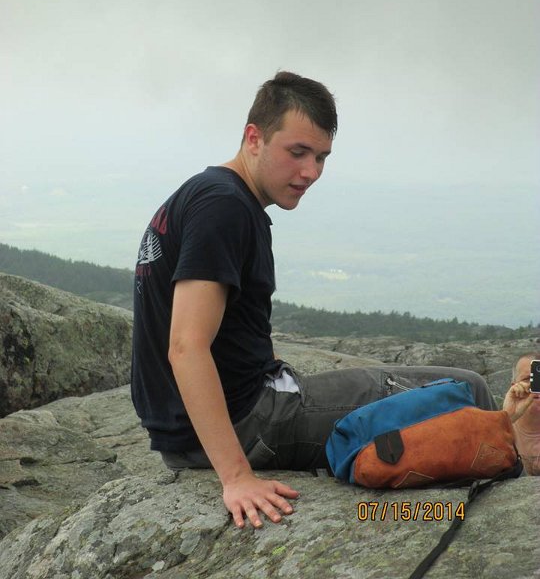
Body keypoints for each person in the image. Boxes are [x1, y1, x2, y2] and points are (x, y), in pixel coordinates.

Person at [131, 70, 497, 530]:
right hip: (248, 423)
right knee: (464, 392)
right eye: (297, 152)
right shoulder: (224, 207)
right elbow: (186, 347)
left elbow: (224, 331)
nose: (310, 172)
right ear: (254, 138)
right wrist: (237, 477)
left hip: (191, 430)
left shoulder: (203, 194)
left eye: (321, 157)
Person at [503, 352, 540, 475]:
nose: (535, 387)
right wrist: (507, 417)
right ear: (514, 386)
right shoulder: (500, 430)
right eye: (528, 379)